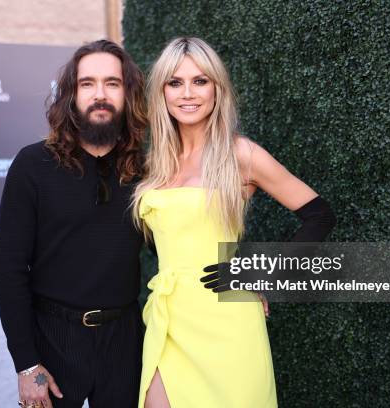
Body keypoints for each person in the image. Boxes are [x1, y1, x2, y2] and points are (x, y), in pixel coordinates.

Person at [131, 37, 336, 408]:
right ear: (161, 92)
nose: (187, 93)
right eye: (175, 82)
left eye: (200, 81)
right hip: (168, 319)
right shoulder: (157, 163)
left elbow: (319, 215)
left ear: (216, 89)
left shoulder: (241, 154)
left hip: (227, 318)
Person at [0, 40, 147, 408]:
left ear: (128, 94)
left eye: (112, 83)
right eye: (87, 83)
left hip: (125, 342)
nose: (100, 94)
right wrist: (27, 365)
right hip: (53, 338)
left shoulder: (147, 170)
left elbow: (184, 243)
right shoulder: (33, 164)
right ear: (70, 94)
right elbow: (11, 270)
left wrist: (244, 276)